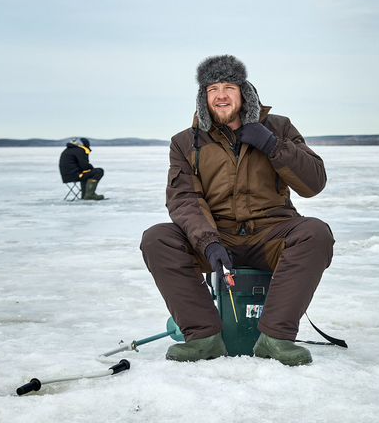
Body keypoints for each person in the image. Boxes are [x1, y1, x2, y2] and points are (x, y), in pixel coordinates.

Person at [140, 55, 333, 366]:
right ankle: (203, 337)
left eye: (229, 86)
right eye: (212, 88)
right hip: (217, 238)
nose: (221, 95)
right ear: (204, 97)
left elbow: (314, 183)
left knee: (315, 232)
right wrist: (208, 242)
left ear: (245, 91)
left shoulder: (278, 127)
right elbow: (184, 198)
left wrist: (273, 146)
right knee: (157, 238)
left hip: (272, 234)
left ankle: (276, 338)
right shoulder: (185, 142)